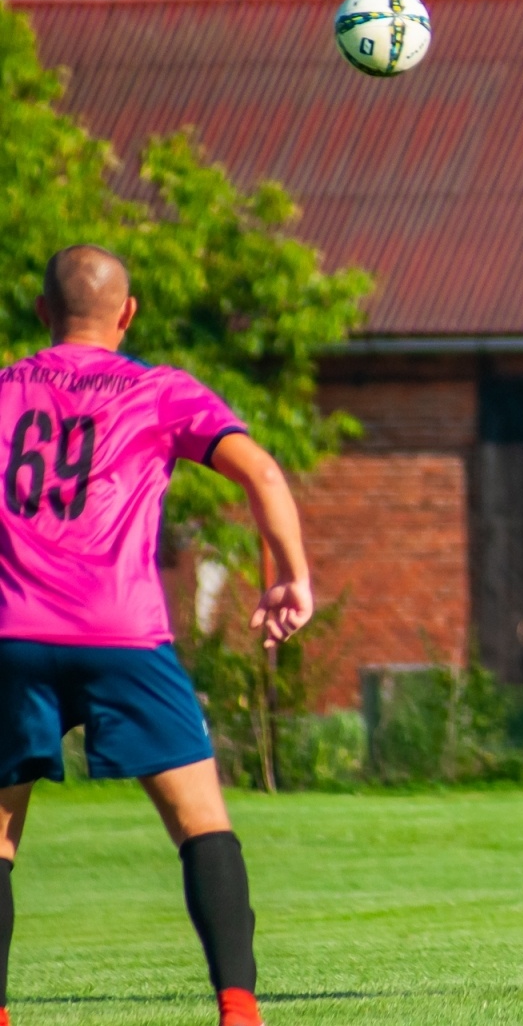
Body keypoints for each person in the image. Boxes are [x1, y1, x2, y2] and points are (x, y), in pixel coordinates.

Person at [0, 246, 314, 1026]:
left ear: (42, 312)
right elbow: (263, 474)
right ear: (128, 313)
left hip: (10, 632)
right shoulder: (159, 391)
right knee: (201, 824)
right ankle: (238, 1009)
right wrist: (287, 575)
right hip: (122, 635)